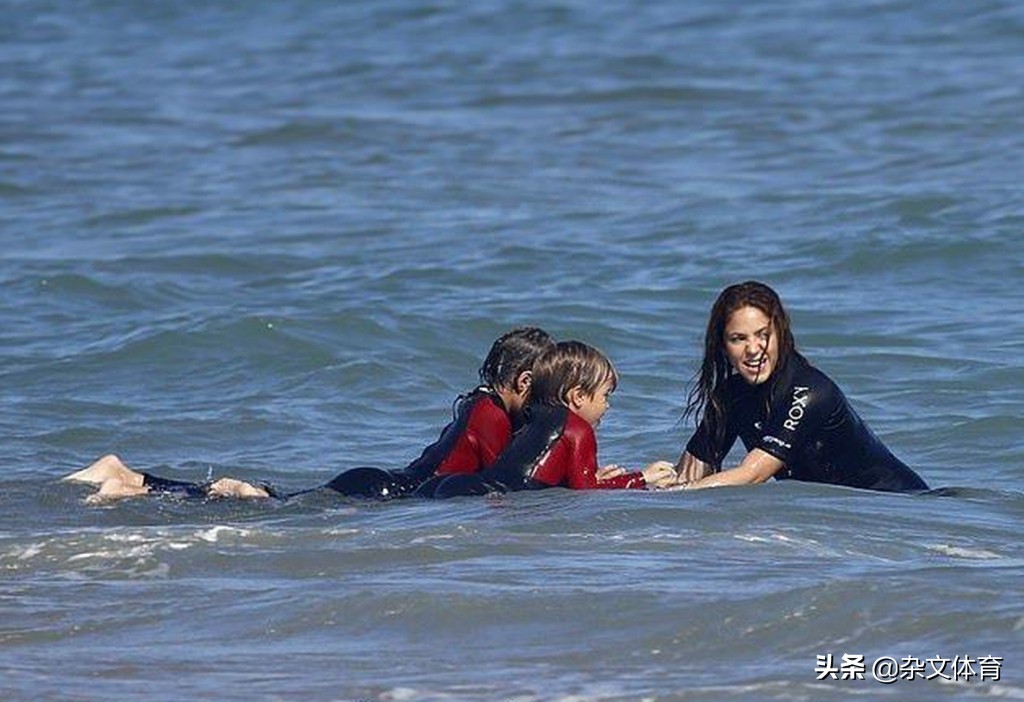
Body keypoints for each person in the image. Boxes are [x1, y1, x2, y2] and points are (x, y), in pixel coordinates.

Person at [64, 326, 556, 501]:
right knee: (260, 502)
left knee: (272, 501)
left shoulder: (478, 404)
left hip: (379, 483)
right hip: (382, 492)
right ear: (523, 383)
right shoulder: (491, 416)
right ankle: (130, 481)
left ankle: (133, 479)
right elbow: (504, 480)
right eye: (541, 394)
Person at [656, 281, 928, 493]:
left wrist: (674, 494)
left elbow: (753, 475)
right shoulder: (731, 395)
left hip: (903, 506)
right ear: (723, 347)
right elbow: (687, 476)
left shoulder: (809, 391)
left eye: (763, 336)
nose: (753, 349)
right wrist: (630, 487)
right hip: (846, 520)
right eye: (738, 338)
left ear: (781, 336)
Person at [425, 340, 677, 498]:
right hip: (489, 495)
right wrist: (641, 478)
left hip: (457, 485)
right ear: (578, 396)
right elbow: (586, 492)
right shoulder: (577, 429)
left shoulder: (532, 418)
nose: (607, 406)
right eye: (605, 396)